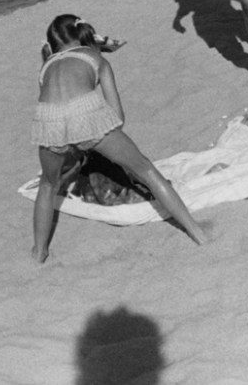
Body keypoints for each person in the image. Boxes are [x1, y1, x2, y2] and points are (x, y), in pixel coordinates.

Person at [30, 14, 207, 263]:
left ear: (51, 45)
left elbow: (60, 112)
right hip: (85, 112)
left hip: (47, 118)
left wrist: (77, 151)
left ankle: (39, 252)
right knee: (146, 170)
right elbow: (118, 117)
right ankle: (197, 232)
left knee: (48, 185)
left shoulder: (45, 67)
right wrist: (98, 141)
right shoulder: (96, 59)